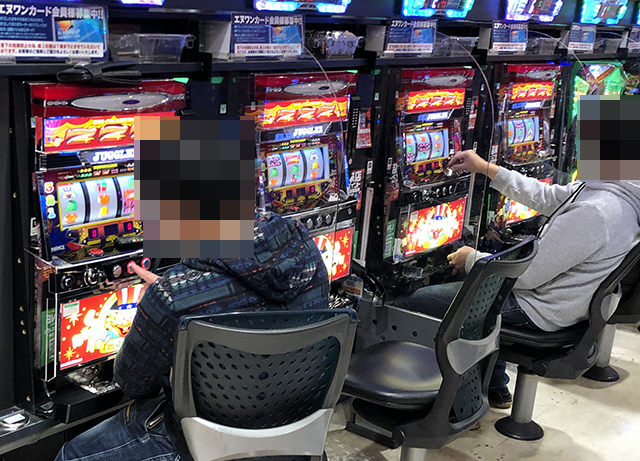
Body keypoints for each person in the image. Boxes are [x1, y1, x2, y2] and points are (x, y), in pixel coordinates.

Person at [54, 212, 330, 461]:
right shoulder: (308, 254)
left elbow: (133, 384)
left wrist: (155, 309)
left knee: (70, 455)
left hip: (201, 442)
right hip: (294, 429)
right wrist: (171, 295)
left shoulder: (173, 296)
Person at [395, 149, 640, 408]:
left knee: (413, 302)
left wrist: (470, 259)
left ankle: (444, 403)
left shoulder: (596, 211)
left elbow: (526, 277)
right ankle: (494, 384)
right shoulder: (616, 193)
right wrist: (486, 168)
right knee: (479, 288)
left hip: (539, 309)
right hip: (562, 302)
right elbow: (547, 196)